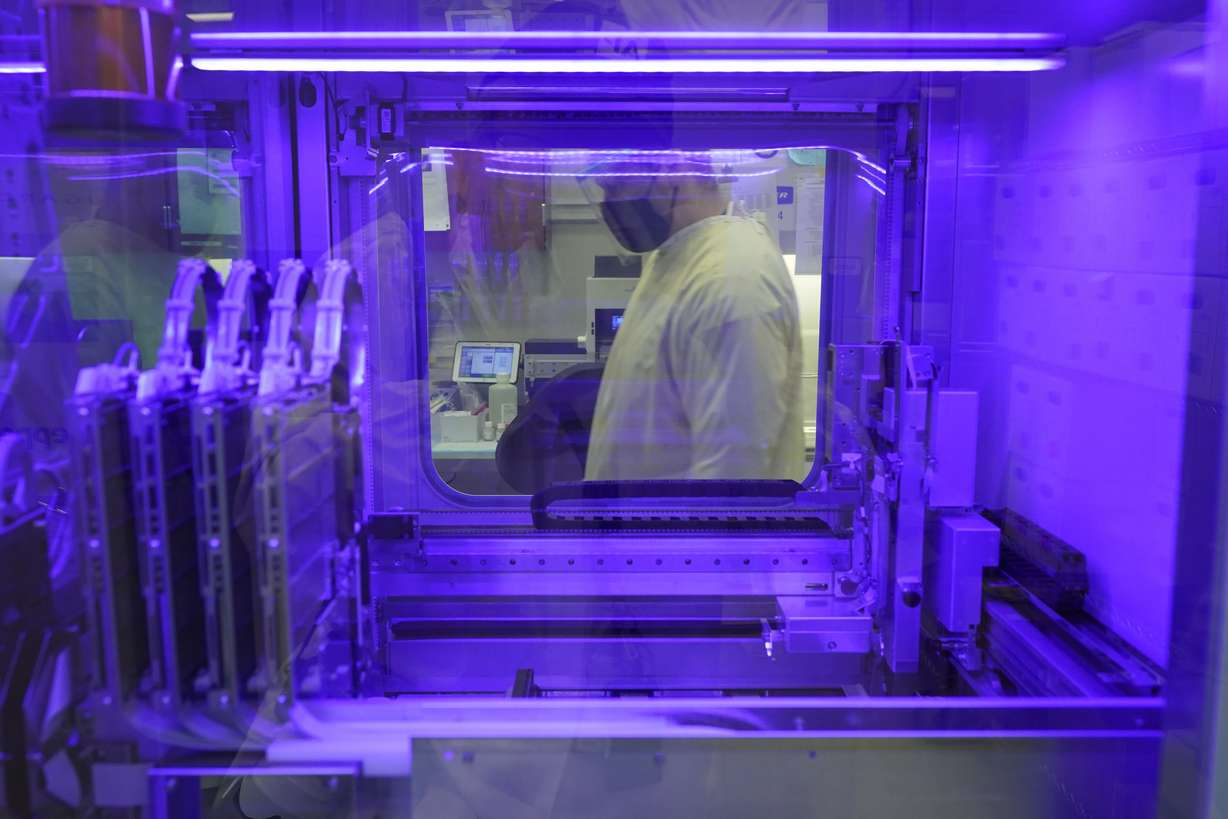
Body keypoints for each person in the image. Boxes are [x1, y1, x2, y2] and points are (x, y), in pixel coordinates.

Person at [581, 157, 804, 481]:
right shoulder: (675, 256)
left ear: (674, 166)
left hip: (673, 532)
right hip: (639, 528)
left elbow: (729, 487)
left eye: (616, 183)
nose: (609, 202)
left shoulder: (732, 280)